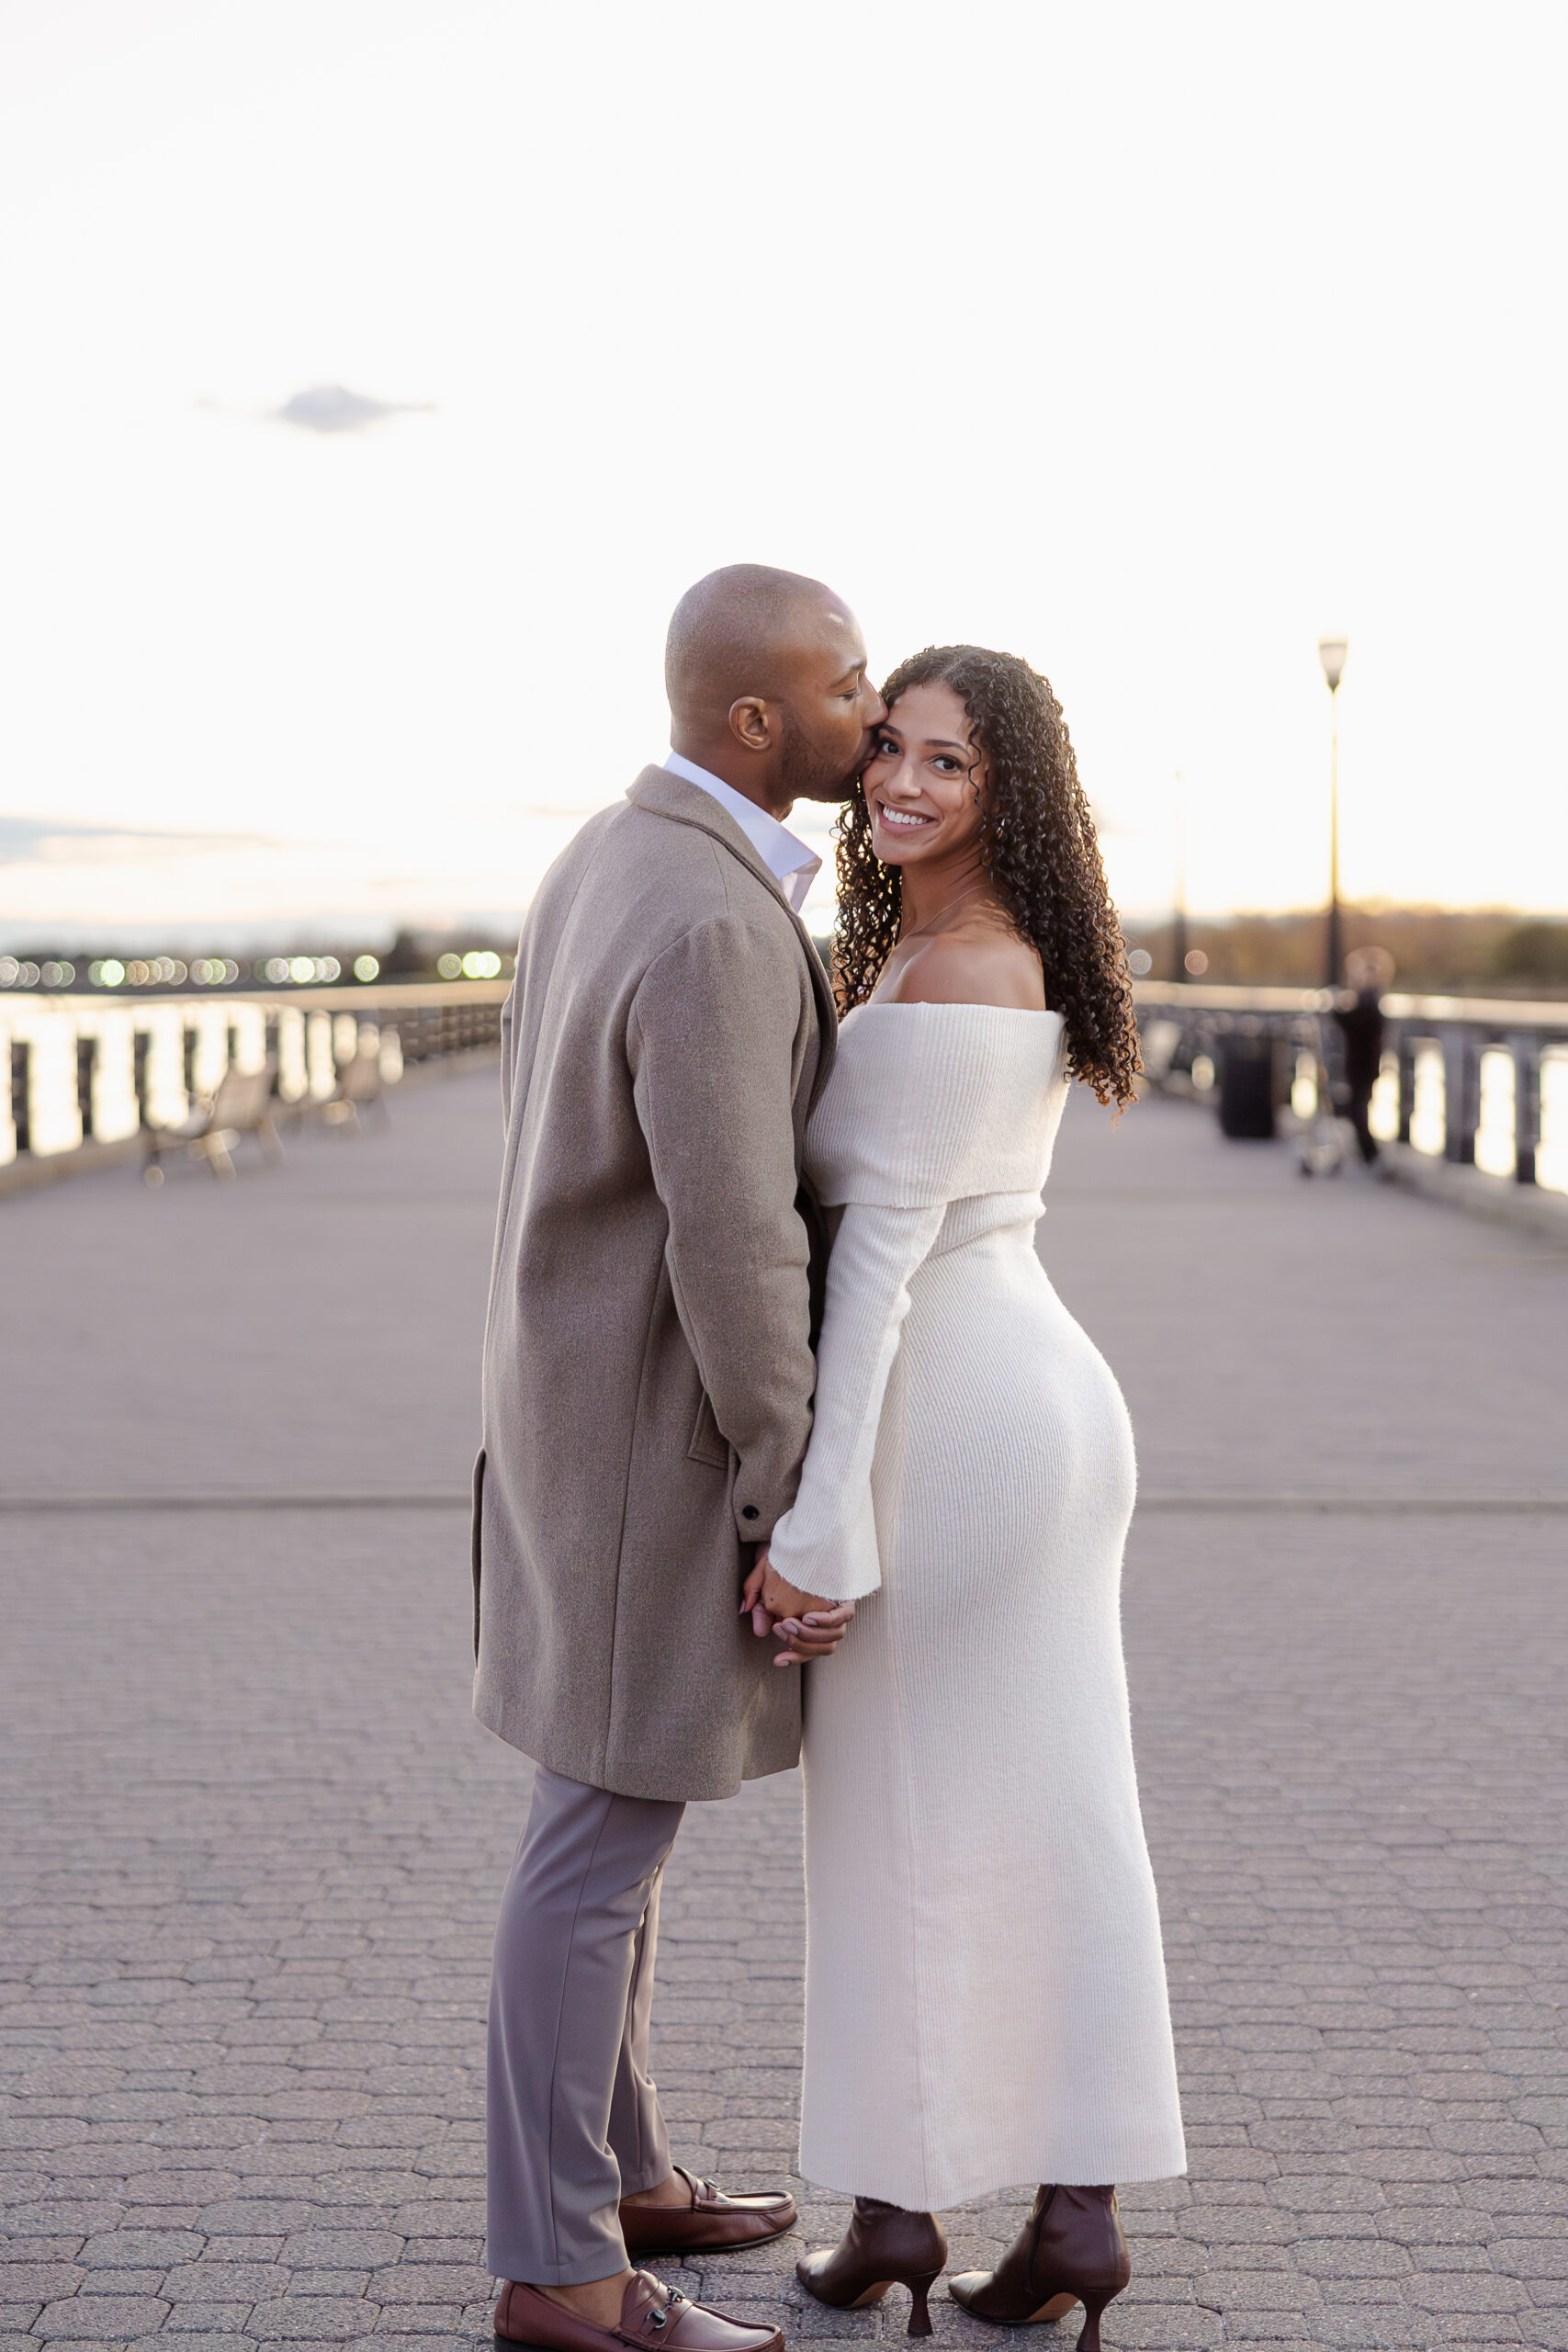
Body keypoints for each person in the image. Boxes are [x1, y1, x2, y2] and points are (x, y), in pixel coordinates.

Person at [748, 646, 1187, 2352]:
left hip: (955, 1412)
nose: (904, 784)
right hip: (1037, 1401)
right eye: (890, 753)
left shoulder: (951, 978)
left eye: (950, 762)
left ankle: (896, 2210)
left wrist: (820, 1522)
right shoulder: (955, 952)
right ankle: (1070, 2215)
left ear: (1009, 791)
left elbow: (875, 1264)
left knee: (896, 1824)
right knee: (1055, 1810)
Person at [473, 564, 886, 2352]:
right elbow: (735, 1243)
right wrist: (797, 1484)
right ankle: (562, 2267)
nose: (868, 713)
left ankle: (620, 2170)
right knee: (594, 1851)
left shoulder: (606, 854)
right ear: (754, 720)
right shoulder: (714, 920)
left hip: (564, 1421)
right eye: (848, 683)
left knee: (606, 1830)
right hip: (644, 1443)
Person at [1333, 948, 1391, 1166]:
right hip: (1363, 1063)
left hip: (1363, 1064)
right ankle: (1369, 1153)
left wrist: (1337, 1009)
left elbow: (1351, 1024)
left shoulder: (1368, 1001)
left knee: (1358, 1108)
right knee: (1358, 1107)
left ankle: (1371, 1154)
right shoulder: (1369, 999)